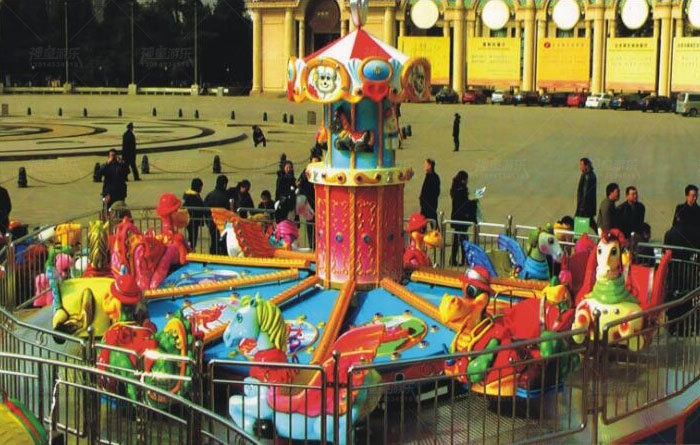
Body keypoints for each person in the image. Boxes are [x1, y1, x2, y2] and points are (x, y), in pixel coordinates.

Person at [449, 170, 478, 266]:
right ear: (463, 180)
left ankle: (455, 259)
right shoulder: (461, 191)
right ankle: (463, 260)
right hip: (462, 218)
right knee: (463, 240)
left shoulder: (455, 189)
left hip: (456, 218)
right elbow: (464, 204)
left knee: (457, 240)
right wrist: (473, 203)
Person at [297, 151, 321, 249]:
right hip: (310, 205)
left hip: (320, 204)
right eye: (313, 163)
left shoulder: (321, 172)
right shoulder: (306, 173)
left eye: (317, 163)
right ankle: (312, 246)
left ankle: (319, 245)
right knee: (311, 226)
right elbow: (300, 186)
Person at [204, 175, 229, 254]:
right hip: (223, 224)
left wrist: (208, 222)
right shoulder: (225, 196)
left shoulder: (210, 195)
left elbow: (205, 210)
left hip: (211, 222)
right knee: (223, 243)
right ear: (224, 184)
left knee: (214, 241)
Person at [182, 178, 205, 250]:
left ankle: (190, 248)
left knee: (191, 237)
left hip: (188, 220)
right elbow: (200, 207)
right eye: (201, 187)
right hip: (194, 221)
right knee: (193, 237)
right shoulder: (194, 197)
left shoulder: (186, 194)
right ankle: (191, 249)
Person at [575, 157, 597, 231]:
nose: (580, 167)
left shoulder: (587, 176)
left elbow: (585, 193)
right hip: (589, 207)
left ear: (586, 165)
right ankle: (599, 233)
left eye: (581, 165)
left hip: (584, 208)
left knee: (580, 226)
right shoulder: (592, 175)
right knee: (591, 223)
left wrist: (581, 207)